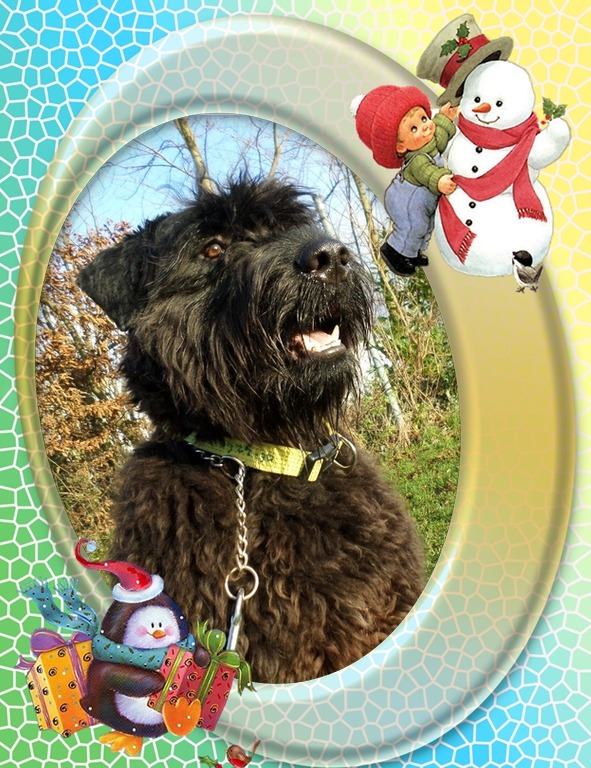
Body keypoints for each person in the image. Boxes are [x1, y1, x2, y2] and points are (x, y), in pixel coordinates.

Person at [352, 85, 458, 276]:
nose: (425, 126)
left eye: (423, 118)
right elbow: (426, 172)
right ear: (400, 146)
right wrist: (440, 180)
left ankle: (412, 253)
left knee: (427, 223)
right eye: (414, 128)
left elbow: (440, 138)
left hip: (419, 202)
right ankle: (395, 253)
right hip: (405, 202)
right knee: (414, 227)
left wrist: (445, 118)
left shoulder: (428, 143)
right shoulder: (417, 159)